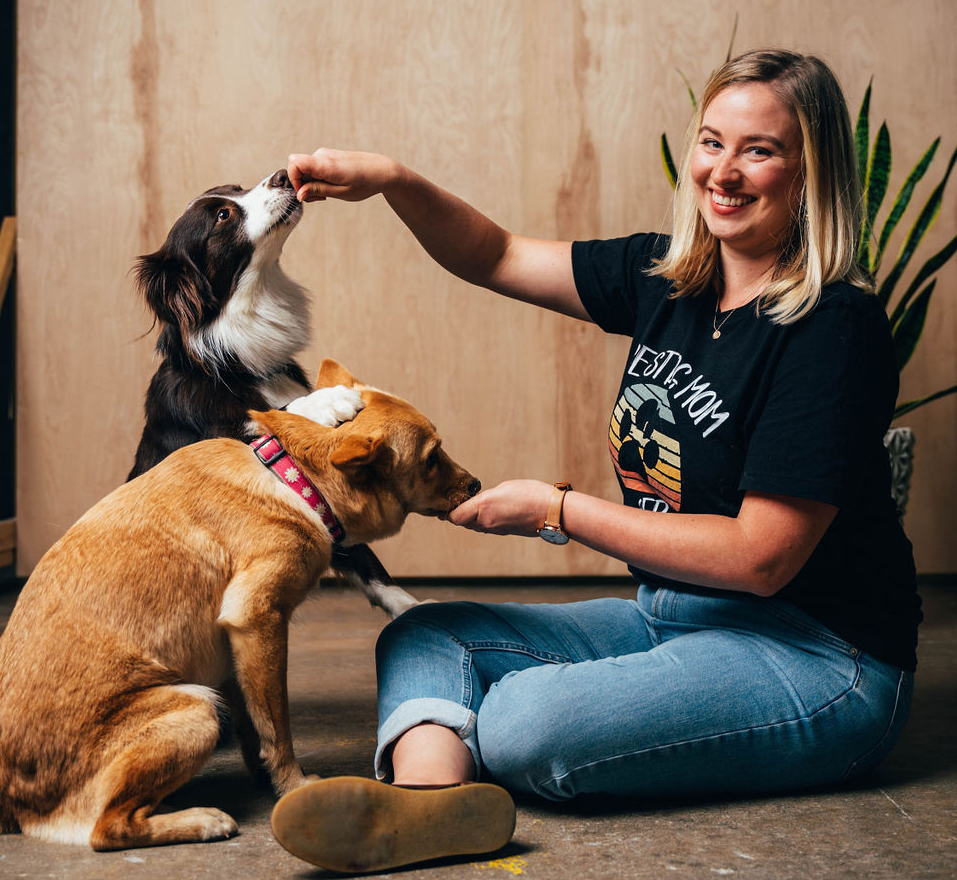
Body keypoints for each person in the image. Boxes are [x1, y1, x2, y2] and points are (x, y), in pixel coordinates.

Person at [270, 49, 921, 874]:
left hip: (817, 657)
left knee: (522, 725)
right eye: (712, 142)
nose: (723, 172)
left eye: (760, 150)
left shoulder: (834, 328)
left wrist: (555, 510)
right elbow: (495, 253)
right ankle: (429, 809)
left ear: (811, 172)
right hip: (675, 616)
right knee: (428, 633)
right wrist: (393, 179)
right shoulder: (673, 279)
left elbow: (761, 559)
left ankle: (452, 765)